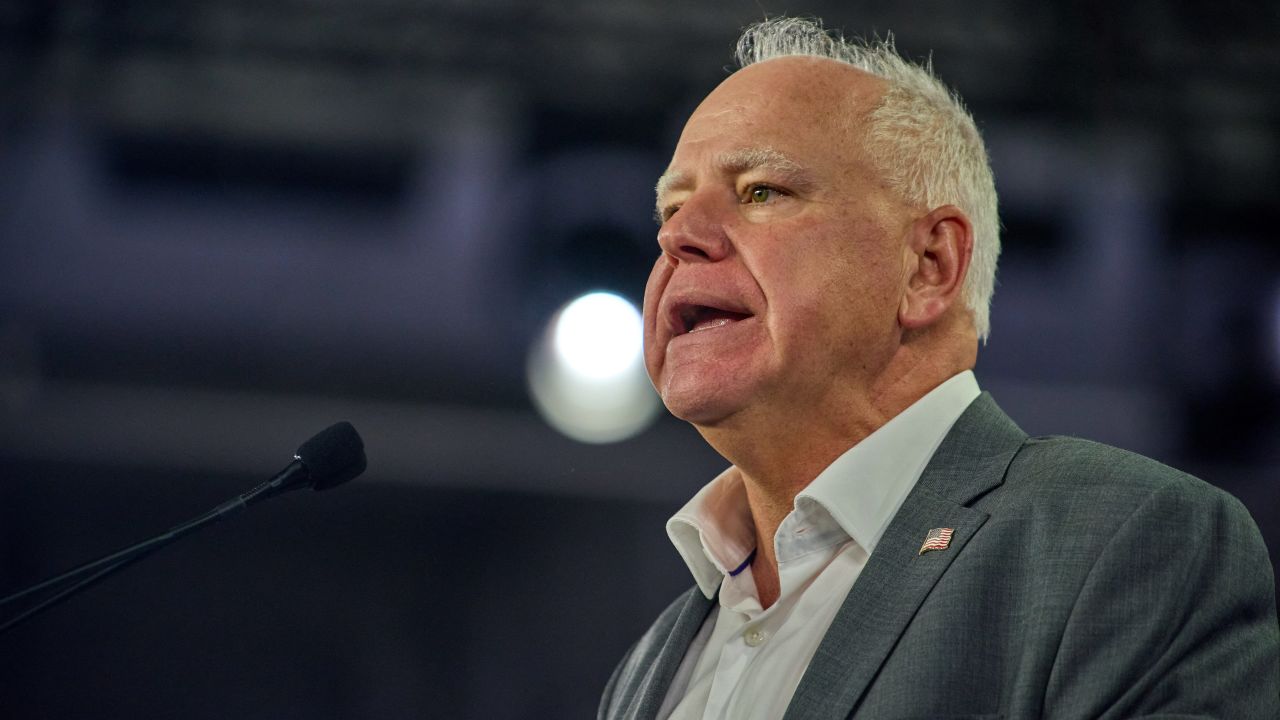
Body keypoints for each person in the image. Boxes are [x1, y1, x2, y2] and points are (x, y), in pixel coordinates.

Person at [598, 16, 1280, 720]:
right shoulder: (651, 663)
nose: (678, 235)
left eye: (761, 191)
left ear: (929, 266)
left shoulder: (1121, 541)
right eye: (672, 208)